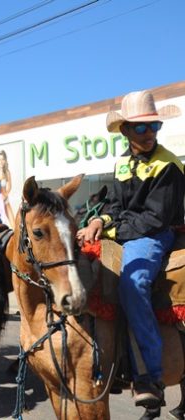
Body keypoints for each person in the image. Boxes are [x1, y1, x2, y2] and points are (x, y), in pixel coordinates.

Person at [77, 90, 184, 408]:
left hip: (154, 236)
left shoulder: (168, 165)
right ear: (125, 130)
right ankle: (107, 361)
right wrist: (99, 221)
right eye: (141, 127)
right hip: (124, 233)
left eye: (154, 126)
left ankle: (150, 375)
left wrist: (111, 229)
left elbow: (155, 219)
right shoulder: (122, 163)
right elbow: (114, 205)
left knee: (133, 283)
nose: (149, 133)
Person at [0, 150, 15, 228]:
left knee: (11, 217)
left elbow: (9, 186)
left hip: (5, 197)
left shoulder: (7, 172)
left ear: (5, 160)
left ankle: (15, 231)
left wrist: (6, 195)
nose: (1, 161)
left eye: (3, 159)